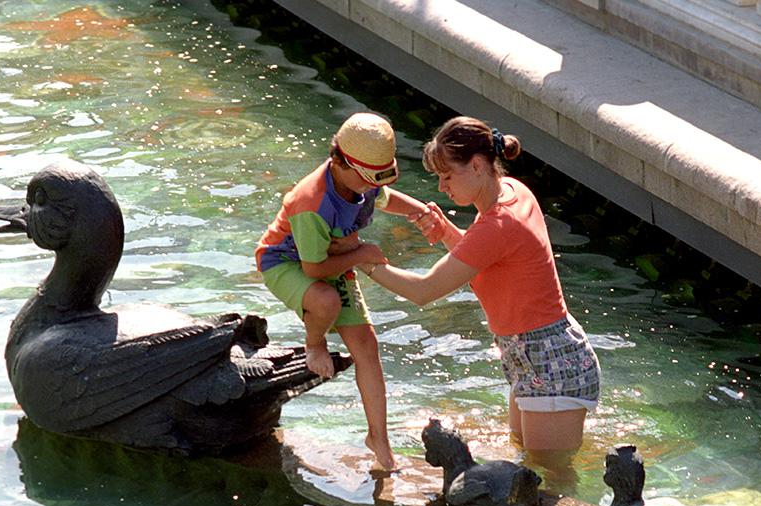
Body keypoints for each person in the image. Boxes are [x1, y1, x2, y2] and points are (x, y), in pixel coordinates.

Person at [357, 116, 601, 454]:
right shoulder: (512, 193)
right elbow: (490, 267)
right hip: (532, 354)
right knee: (525, 458)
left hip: (548, 360)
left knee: (551, 478)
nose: (442, 187)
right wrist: (445, 232)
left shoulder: (496, 225)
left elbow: (423, 291)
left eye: (446, 176)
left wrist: (362, 259)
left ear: (475, 165)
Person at [256, 111, 434, 473]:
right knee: (325, 300)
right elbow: (313, 270)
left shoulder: (362, 181)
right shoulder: (311, 203)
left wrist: (418, 211)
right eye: (369, 180)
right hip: (287, 264)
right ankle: (314, 343)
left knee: (367, 345)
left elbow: (384, 197)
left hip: (334, 252)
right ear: (339, 162)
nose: (372, 188)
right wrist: (361, 253)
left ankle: (378, 438)